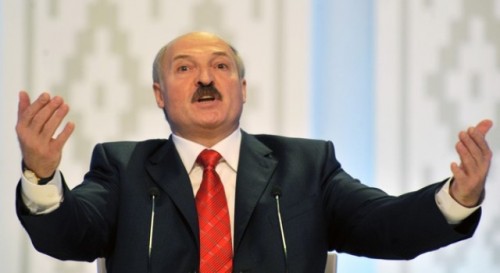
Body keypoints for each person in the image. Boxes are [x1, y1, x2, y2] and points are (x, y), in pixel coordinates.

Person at [16, 32, 493, 273]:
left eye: (219, 66)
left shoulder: (306, 166)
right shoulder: (122, 166)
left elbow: (387, 228)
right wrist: (40, 176)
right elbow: (70, 237)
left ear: (241, 89)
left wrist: (458, 197)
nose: (205, 78)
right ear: (160, 94)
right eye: (185, 68)